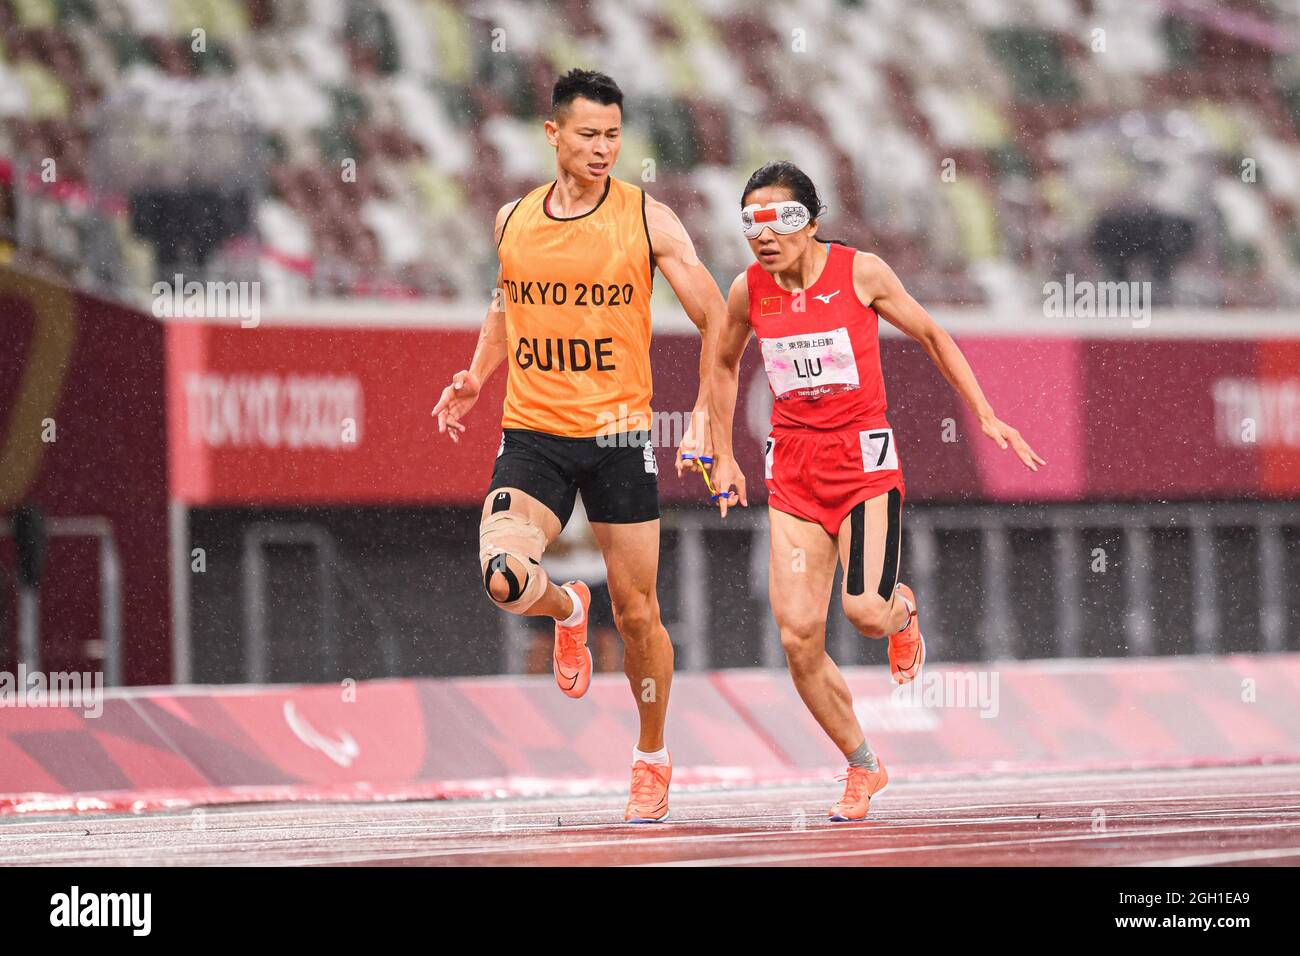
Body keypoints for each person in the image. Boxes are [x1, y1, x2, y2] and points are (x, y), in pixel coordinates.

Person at [706, 162, 1045, 821]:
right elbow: (721, 363)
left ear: (812, 223)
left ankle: (901, 613)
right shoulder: (748, 290)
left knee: (863, 611)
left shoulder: (861, 272)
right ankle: (863, 765)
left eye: (780, 220)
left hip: (863, 469)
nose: (763, 235)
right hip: (794, 476)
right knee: (799, 637)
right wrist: (722, 453)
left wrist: (985, 413)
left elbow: (931, 334)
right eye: (751, 222)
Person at [432, 70, 726, 823]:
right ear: (553, 135)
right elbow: (507, 304)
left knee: (637, 616)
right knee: (502, 575)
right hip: (533, 433)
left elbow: (719, 319)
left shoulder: (648, 220)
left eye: (613, 137)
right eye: (588, 135)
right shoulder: (512, 220)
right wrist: (474, 374)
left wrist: (704, 414)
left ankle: (652, 757)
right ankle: (565, 608)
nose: (602, 149)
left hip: (621, 438)